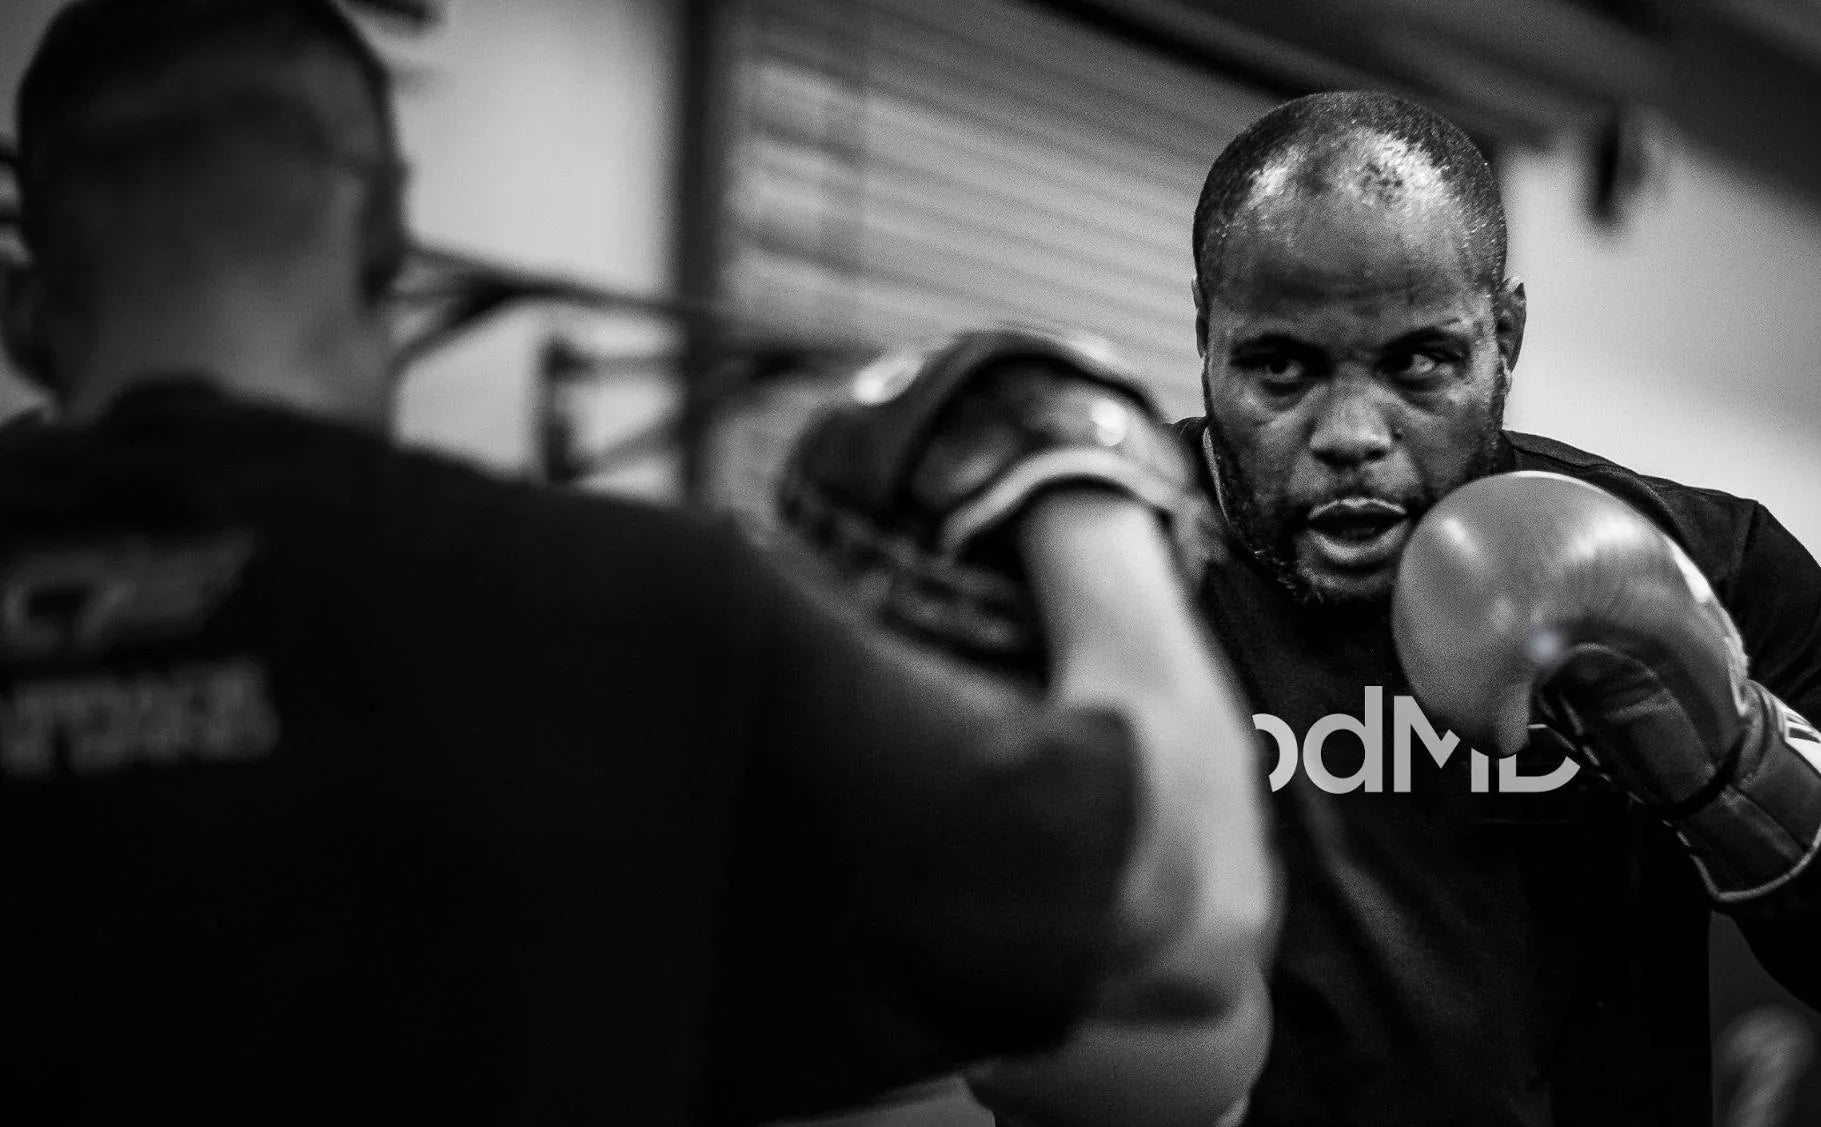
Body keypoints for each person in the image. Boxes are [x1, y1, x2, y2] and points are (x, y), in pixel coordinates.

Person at [0, 2, 1275, 1123]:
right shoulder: (634, 613)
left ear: (26, 306)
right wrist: (1078, 480)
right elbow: (1191, 913)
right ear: (386, 231)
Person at [1121, 90, 1821, 1125]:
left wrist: (1728, 757)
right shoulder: (1099, 561)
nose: (1351, 431)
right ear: (1205, 340)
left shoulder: (1703, 558)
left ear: (1506, 335)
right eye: (1280, 367)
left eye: (1418, 363)